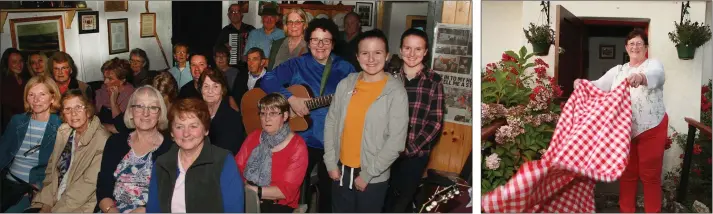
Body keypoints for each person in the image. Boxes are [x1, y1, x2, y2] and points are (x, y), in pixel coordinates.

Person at [260, 18, 356, 213]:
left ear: (333, 43)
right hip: (301, 139)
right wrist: (291, 98)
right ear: (308, 41)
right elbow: (267, 80)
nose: (320, 45)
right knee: (290, 190)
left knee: (329, 194)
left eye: (326, 41)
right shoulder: (297, 64)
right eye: (315, 40)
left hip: (332, 140)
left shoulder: (345, 68)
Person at [574, 28, 666, 213]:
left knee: (650, 175)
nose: (635, 47)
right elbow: (599, 85)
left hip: (652, 128)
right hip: (624, 131)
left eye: (639, 43)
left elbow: (657, 76)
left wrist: (640, 77)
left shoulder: (653, 64)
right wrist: (582, 84)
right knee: (628, 174)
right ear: (626, 48)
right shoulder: (618, 70)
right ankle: (626, 210)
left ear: (646, 47)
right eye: (631, 43)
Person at [323, 29, 408, 213]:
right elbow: (331, 122)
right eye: (365, 53)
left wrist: (368, 174)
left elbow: (396, 142)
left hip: (371, 176)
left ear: (387, 56)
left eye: (377, 53)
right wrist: (330, 162)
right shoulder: (346, 84)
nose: (371, 59)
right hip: (340, 171)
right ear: (357, 56)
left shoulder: (396, 92)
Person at [146, 98, 244, 213]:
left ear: (206, 129)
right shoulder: (162, 164)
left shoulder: (223, 161)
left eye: (193, 126)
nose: (186, 133)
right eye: (179, 127)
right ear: (172, 132)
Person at [384, 28, 445, 213]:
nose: (412, 54)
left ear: (425, 52)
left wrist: (410, 149)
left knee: (403, 200)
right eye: (407, 48)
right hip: (385, 151)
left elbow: (435, 122)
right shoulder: (387, 76)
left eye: (418, 49)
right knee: (383, 198)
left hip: (415, 154)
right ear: (401, 50)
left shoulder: (434, 80)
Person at [29, 89, 111, 212]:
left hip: (79, 206)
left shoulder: (103, 140)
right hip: (55, 198)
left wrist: (54, 210)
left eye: (78, 107)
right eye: (67, 109)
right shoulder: (64, 131)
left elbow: (86, 187)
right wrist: (46, 204)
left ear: (88, 111)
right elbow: (52, 171)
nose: (73, 113)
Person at [96, 86, 173, 213]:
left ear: (160, 114)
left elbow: (170, 195)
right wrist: (111, 210)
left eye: (153, 107)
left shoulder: (170, 148)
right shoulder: (115, 142)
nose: (145, 113)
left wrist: (144, 211)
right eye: (139, 106)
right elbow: (103, 186)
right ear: (131, 111)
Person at [235, 93, 308, 213]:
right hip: (247, 195)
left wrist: (254, 191)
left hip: (278, 204)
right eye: (263, 113)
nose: (267, 118)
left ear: (285, 116)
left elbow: (286, 191)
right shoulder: (254, 136)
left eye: (273, 113)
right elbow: (237, 167)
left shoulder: (297, 146)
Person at [0, 76, 62, 212]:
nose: (36, 100)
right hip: (8, 183)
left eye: (42, 94)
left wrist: (38, 188)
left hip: (36, 188)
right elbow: (2, 152)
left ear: (52, 98)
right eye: (31, 94)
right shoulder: (17, 121)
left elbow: (61, 168)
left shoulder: (60, 127)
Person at [199, 69, 245, 155]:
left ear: (222, 90)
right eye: (206, 86)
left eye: (215, 86)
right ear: (201, 90)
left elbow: (229, 153)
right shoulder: (196, 115)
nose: (210, 91)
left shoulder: (233, 119)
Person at [95, 58, 135, 131]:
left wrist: (113, 102)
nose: (105, 82)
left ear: (122, 80)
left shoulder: (132, 96)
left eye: (110, 79)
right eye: (104, 77)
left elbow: (120, 128)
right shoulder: (101, 91)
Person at [215, 3, 256, 68]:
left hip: (249, 65)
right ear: (228, 15)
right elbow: (216, 49)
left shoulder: (251, 29)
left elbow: (258, 47)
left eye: (237, 11)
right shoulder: (225, 31)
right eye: (232, 12)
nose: (235, 14)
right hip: (232, 67)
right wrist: (224, 48)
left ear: (242, 14)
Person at [1, 48, 31, 133]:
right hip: (12, 126)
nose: (19, 65)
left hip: (28, 123)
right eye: (14, 62)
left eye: (21, 61)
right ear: (7, 64)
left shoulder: (26, 80)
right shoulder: (4, 82)